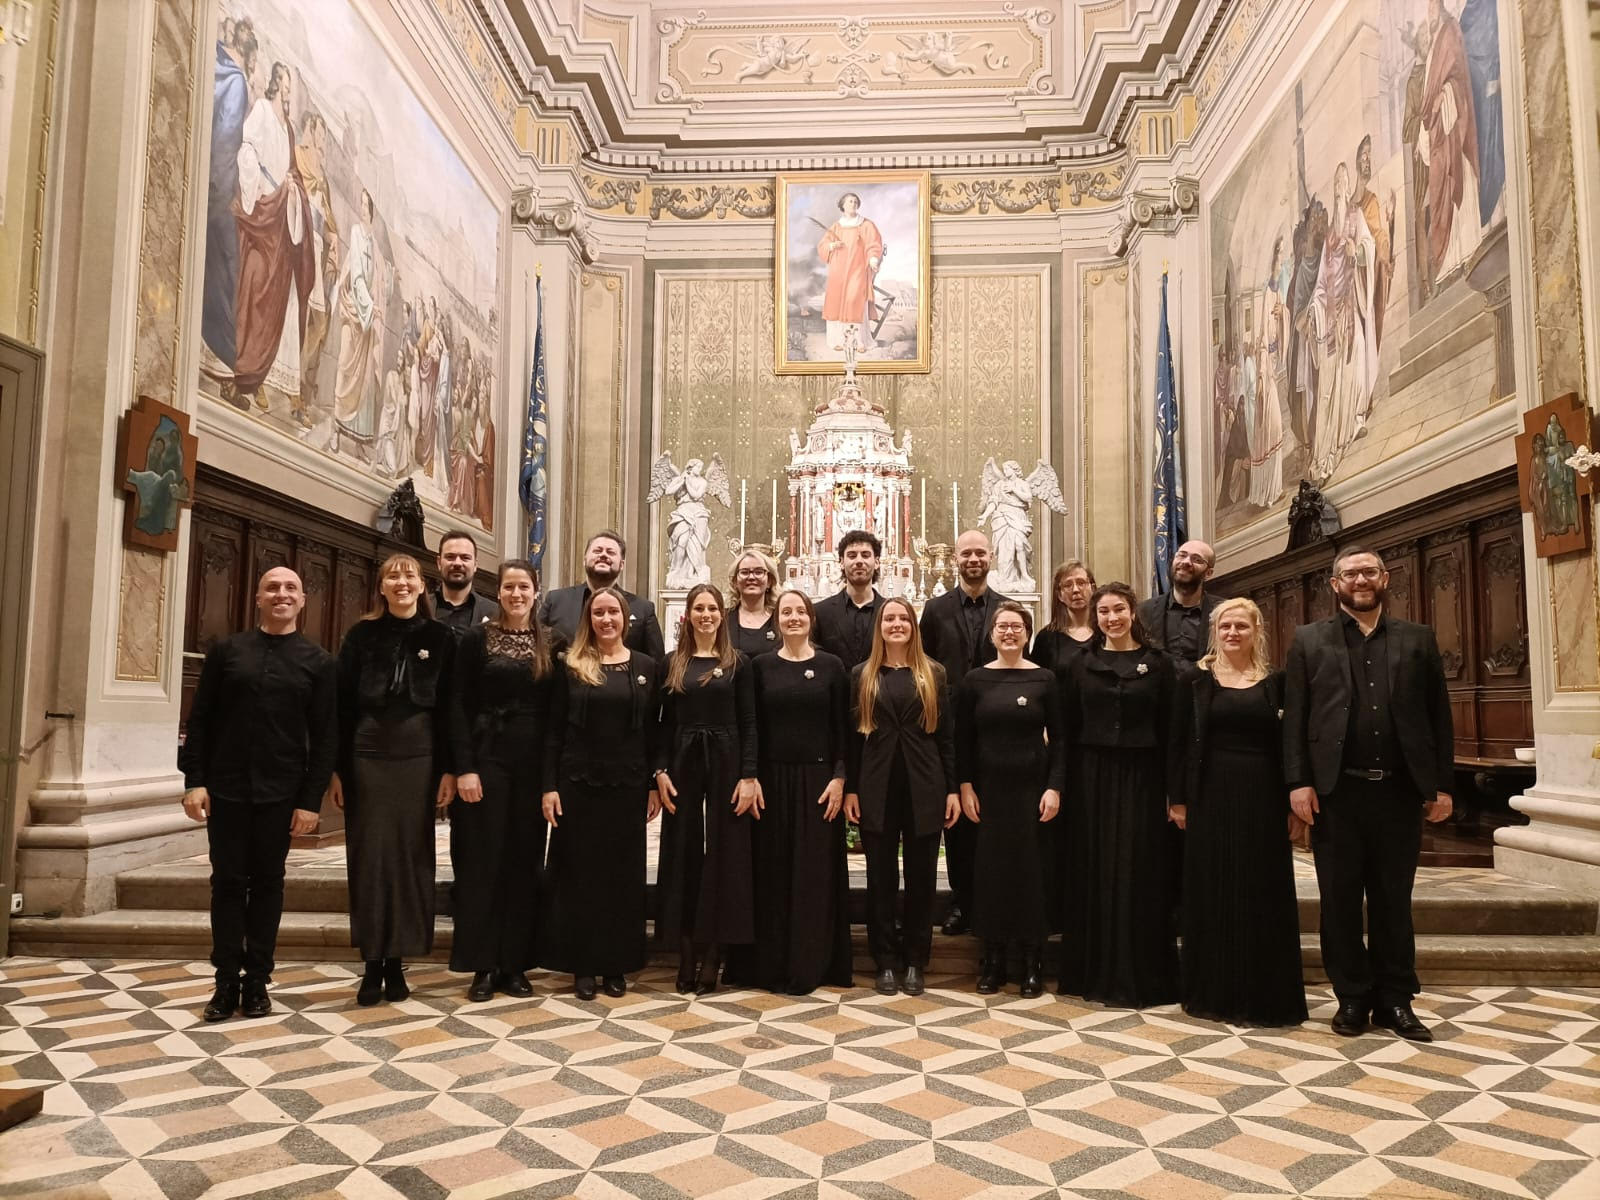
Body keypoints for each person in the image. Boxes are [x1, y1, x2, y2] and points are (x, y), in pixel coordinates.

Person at [1284, 547, 1454, 1041]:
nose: (1360, 579)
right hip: (1337, 793)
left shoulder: (1417, 639)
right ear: (1334, 584)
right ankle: (1352, 996)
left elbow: (1438, 718)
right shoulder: (1308, 641)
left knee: (1392, 900)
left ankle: (1396, 999)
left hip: (1399, 792)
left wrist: (1441, 785)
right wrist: (1298, 781)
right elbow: (1296, 718)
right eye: (1350, 573)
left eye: (1368, 572)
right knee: (1338, 901)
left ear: (1385, 578)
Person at [180, 566, 337, 1022]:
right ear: (257, 597)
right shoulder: (227, 652)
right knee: (227, 883)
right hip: (226, 789)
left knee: (268, 884)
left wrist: (310, 800)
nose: (281, 594)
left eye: (290, 588)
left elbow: (325, 738)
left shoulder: (318, 661)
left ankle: (257, 982)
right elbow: (201, 721)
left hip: (281, 792)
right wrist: (195, 781)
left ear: (302, 600)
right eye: (272, 587)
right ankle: (226, 980)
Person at [1170, 599, 1307, 1027]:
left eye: (1241, 626)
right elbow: (1179, 742)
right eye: (1225, 625)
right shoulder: (1195, 679)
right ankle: (1212, 991)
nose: (1232, 633)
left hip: (1263, 797)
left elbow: (1290, 744)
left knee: (1261, 888)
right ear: (1215, 631)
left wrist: (1293, 801)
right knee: (1211, 888)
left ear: (1257, 630)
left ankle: (1264, 995)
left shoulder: (1276, 683)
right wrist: (1177, 799)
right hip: (1209, 796)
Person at [328, 554, 456, 1006]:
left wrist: (448, 768)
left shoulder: (441, 637)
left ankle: (398, 960)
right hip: (367, 755)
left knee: (410, 856)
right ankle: (371, 961)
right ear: (380, 587)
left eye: (410, 576)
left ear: (424, 587)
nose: (402, 583)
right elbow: (341, 706)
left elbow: (450, 712)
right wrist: (338, 770)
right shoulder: (360, 636)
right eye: (393, 576)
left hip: (418, 755)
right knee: (369, 856)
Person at [1057, 581, 1180, 1007]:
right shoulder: (1079, 664)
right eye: (1104, 612)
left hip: (1144, 779)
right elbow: (1065, 732)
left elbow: (1173, 734)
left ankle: (1142, 974)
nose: (1112, 618)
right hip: (1091, 778)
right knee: (1094, 868)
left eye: (1119, 610)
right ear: (1096, 618)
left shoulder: (1160, 665)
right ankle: (1093, 972)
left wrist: (1173, 791)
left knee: (1140, 868)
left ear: (1133, 614)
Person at [540, 588, 662, 1000]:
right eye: (598, 613)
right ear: (588, 620)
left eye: (613, 612)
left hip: (627, 785)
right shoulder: (571, 665)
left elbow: (653, 732)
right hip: (578, 783)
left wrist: (651, 785)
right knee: (580, 875)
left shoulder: (646, 666)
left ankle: (616, 963)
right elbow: (553, 730)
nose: (606, 619)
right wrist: (549, 786)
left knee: (622, 876)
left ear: (626, 619)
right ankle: (583, 965)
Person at [446, 560, 553, 1002]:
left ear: (536, 591)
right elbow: (456, 703)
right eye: (509, 587)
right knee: (482, 862)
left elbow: (554, 717)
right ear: (499, 592)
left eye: (523, 586)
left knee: (524, 862)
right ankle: (482, 965)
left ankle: (516, 964)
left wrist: (550, 779)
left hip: (530, 764)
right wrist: (464, 767)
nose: (516, 594)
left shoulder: (551, 642)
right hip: (486, 759)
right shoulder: (477, 638)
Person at [845, 598, 959, 997]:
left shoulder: (934, 673)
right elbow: (853, 741)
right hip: (877, 786)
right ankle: (885, 961)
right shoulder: (862, 674)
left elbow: (946, 738)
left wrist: (952, 790)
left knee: (922, 879)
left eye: (903, 619)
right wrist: (852, 788)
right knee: (880, 879)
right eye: (889, 618)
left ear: (913, 625)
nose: (896, 624)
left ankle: (915, 959)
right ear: (880, 626)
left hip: (924, 785)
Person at [654, 584, 761, 994]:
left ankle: (714, 954)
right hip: (683, 762)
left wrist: (748, 775)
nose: (705, 615)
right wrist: (659, 770)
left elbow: (749, 722)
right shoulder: (672, 663)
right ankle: (684, 951)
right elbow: (662, 724)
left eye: (712, 608)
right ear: (688, 616)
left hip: (727, 759)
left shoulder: (738, 664)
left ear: (722, 614)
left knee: (724, 854)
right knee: (683, 854)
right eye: (698, 608)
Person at [956, 601, 1064, 998]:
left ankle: (1032, 961)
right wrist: (965, 785)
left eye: (1016, 626)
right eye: (1002, 626)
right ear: (992, 634)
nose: (1009, 632)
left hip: (1032, 791)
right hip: (988, 792)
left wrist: (1054, 786)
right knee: (991, 874)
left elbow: (1061, 739)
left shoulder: (1045, 679)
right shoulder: (974, 681)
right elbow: (962, 740)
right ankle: (993, 959)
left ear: (1027, 632)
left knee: (1031, 873)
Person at [749, 589, 853, 994]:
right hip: (772, 781)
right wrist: (751, 775)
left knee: (814, 875)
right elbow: (752, 726)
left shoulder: (832, 666)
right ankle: (772, 964)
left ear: (811, 619)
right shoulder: (760, 666)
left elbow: (841, 729)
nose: (793, 618)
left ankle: (813, 963)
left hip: (819, 783)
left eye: (800, 612)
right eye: (786, 612)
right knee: (773, 871)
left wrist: (840, 778)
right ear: (777, 620)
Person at [918, 529, 1011, 937]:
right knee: (955, 815)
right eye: (966, 553)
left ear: (990, 557)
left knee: (992, 813)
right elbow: (924, 667)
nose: (973, 559)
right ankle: (960, 898)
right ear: (955, 559)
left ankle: (993, 898)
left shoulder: (1007, 608)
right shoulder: (936, 610)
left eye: (980, 553)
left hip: (997, 726)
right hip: (950, 724)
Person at [231, 62, 316, 405]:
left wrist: (291, 188)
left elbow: (292, 172)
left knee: (277, 298)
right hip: (261, 211)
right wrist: (261, 192)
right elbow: (247, 148)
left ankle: (258, 376)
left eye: (290, 87)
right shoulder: (263, 111)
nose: (288, 91)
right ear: (276, 84)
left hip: (280, 220)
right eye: (285, 84)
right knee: (253, 281)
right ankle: (240, 369)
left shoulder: (290, 130)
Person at [540, 530, 665, 660]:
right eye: (597, 551)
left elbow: (656, 663)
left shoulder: (643, 608)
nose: (603, 555)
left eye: (610, 552)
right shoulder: (555, 600)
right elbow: (537, 649)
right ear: (585, 560)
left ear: (621, 564)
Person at [1137, 540, 1222, 668]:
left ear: (1208, 573)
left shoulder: (1223, 610)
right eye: (1182, 555)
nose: (1186, 562)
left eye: (1197, 559)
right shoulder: (1144, 611)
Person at [818, 191, 883, 353]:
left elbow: (874, 244)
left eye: (855, 201)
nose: (853, 204)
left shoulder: (866, 225)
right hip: (838, 269)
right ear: (842, 206)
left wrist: (873, 258)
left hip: (858, 268)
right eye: (849, 202)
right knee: (836, 301)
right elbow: (823, 245)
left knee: (855, 300)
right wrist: (831, 246)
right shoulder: (836, 226)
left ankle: (859, 342)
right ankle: (837, 340)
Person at [814, 530, 885, 672]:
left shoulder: (890, 611)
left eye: (865, 555)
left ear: (876, 562)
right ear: (841, 562)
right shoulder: (820, 612)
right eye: (852, 556)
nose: (859, 561)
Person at [1031, 560, 1097, 673]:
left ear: (1093, 588)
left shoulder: (1106, 632)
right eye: (1068, 585)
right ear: (1059, 595)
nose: (1076, 590)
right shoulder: (1046, 638)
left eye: (1081, 583)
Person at [430, 529, 499, 634]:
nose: (457, 563)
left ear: (475, 565)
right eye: (450, 557)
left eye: (465, 558)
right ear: (439, 563)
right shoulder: (419, 606)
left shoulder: (495, 613)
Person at [727, 549, 780, 658]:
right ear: (735, 581)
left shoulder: (781, 620)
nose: (751, 577)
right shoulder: (722, 619)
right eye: (744, 572)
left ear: (769, 581)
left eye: (759, 572)